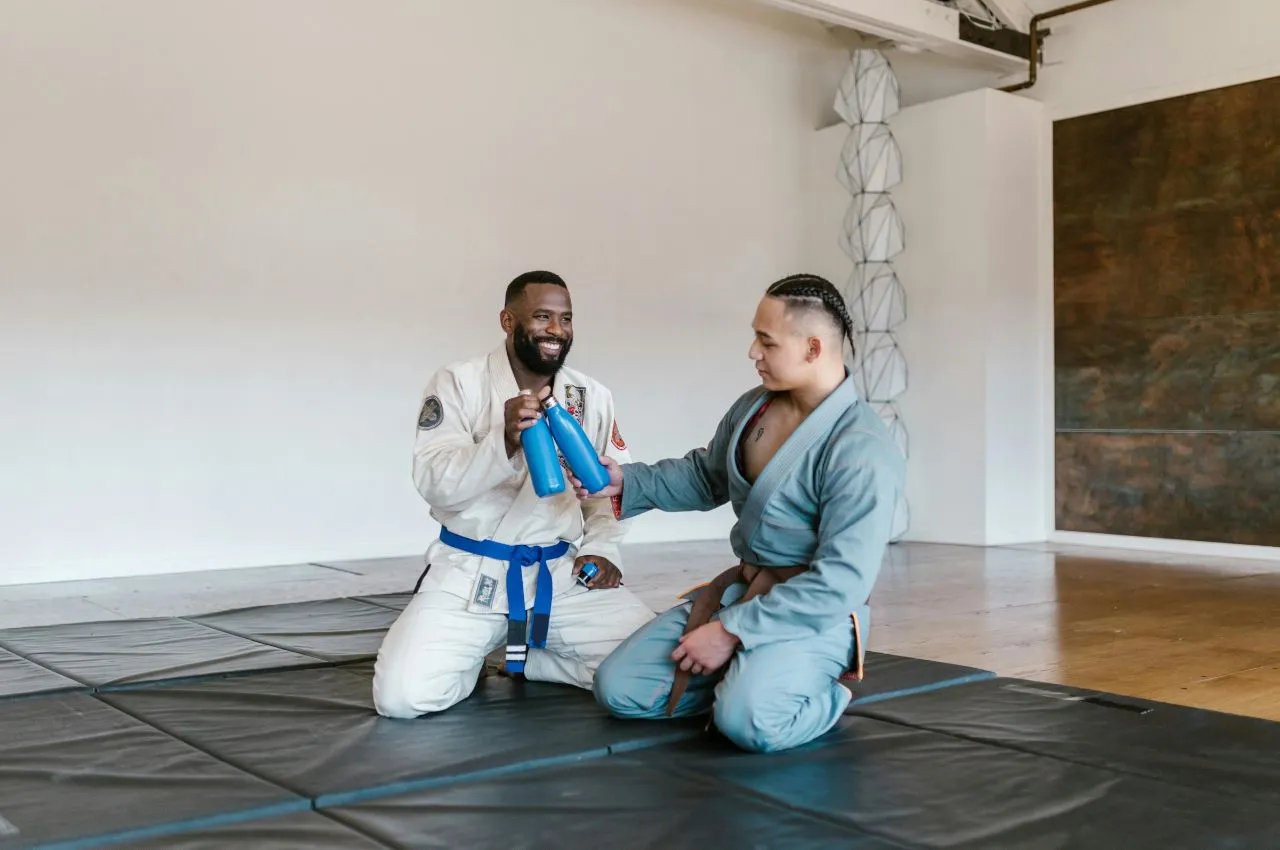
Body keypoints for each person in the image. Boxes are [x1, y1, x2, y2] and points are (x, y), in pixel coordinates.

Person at [576, 273, 905, 754]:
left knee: (748, 722)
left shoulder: (861, 449)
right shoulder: (754, 408)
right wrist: (625, 480)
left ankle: (820, 692)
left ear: (813, 348)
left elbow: (841, 583)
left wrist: (731, 631)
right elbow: (705, 476)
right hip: (742, 592)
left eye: (766, 341)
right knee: (618, 688)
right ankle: (747, 676)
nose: (753, 352)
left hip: (813, 613)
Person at [373, 270, 656, 719]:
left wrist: (604, 550)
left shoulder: (590, 396)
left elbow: (608, 492)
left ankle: (531, 660)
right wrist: (501, 440)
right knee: (401, 698)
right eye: (542, 316)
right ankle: (469, 659)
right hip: (471, 572)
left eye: (565, 319)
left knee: (653, 671)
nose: (556, 331)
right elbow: (434, 483)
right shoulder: (458, 383)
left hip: (560, 573)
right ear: (507, 320)